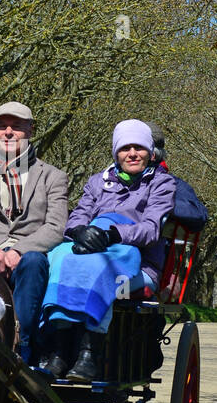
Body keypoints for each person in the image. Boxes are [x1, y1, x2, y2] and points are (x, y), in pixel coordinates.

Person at [40, 120, 176, 380]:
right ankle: (58, 351)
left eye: (139, 148)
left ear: (150, 152)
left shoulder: (162, 183)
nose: (133, 154)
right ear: (116, 153)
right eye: (126, 148)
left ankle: (89, 353)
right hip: (90, 249)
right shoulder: (97, 182)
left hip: (137, 262)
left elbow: (151, 229)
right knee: (57, 258)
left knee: (102, 267)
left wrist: (113, 234)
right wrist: (81, 232)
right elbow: (78, 217)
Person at [0, 101, 68, 365]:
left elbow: (55, 227)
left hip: (29, 256)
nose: (8, 132)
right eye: (2, 126)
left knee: (33, 262)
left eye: (16, 127)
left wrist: (19, 249)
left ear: (29, 130)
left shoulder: (52, 176)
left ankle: (23, 343)